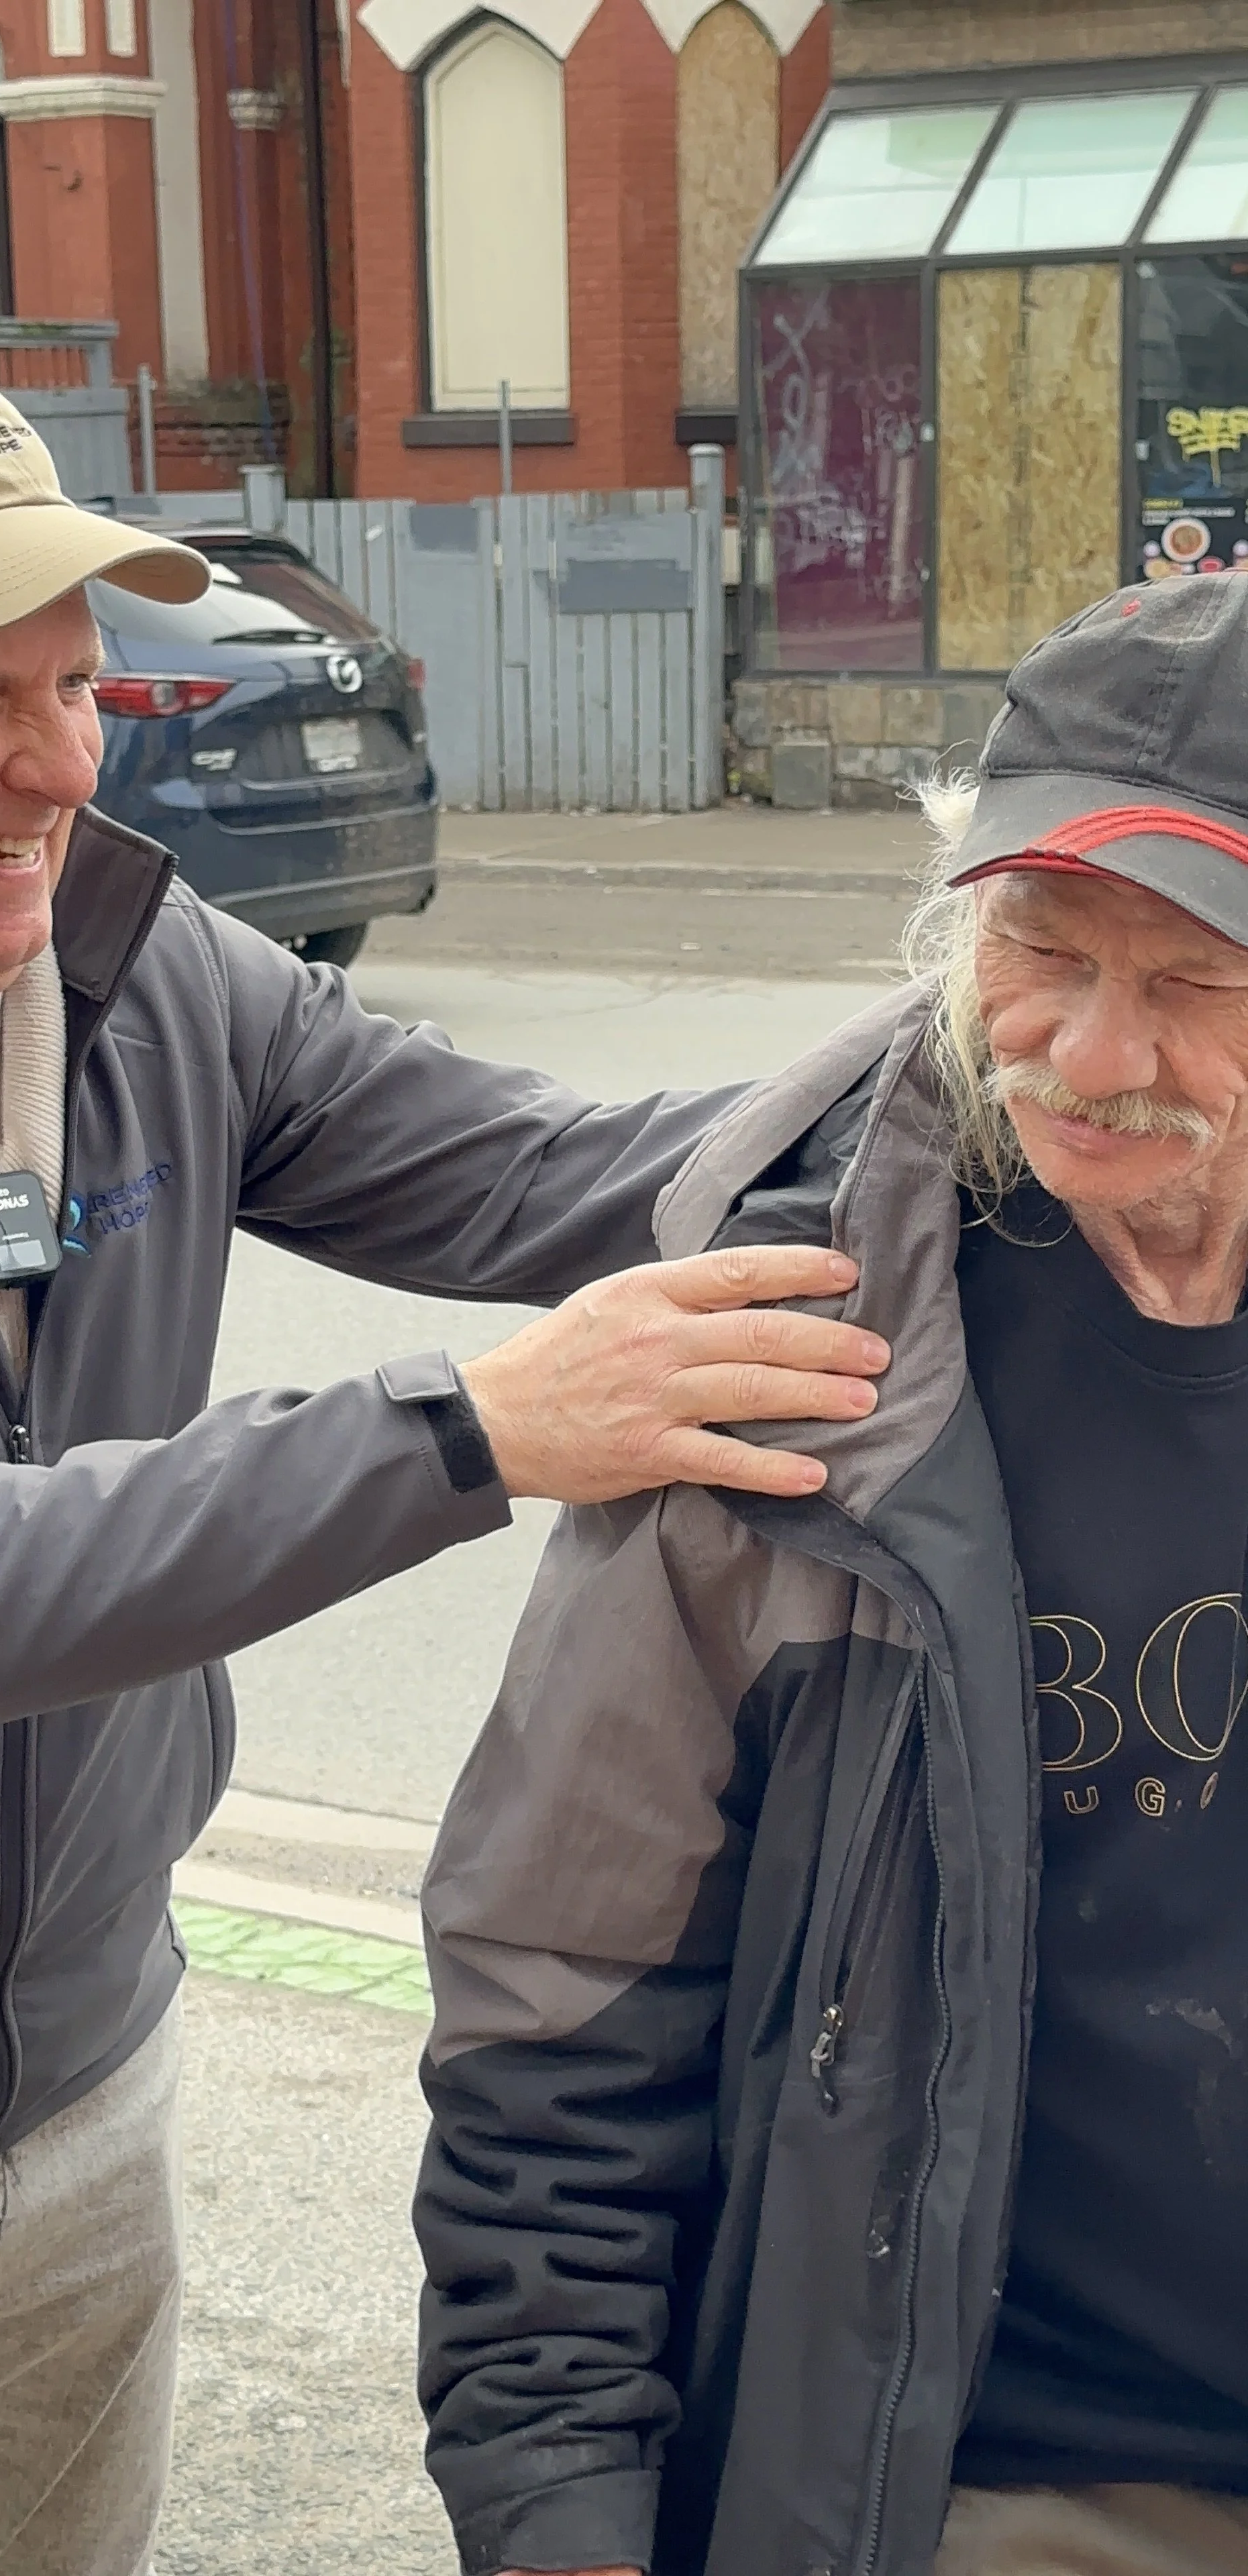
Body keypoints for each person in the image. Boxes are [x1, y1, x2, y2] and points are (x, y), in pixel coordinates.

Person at [0, 337, 893, 2576]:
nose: (55, 766)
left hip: (82, 2090)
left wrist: (1009, 1047)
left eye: (75, 682)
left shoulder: (146, 978)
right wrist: (482, 1429)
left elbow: (558, 1178)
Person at [415, 570, 1248, 2576]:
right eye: (1041, 950)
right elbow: (562, 1990)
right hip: (989, 2482)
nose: (1092, 1051)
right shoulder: (803, 1357)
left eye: (1199, 982)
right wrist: (557, 2497)